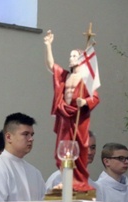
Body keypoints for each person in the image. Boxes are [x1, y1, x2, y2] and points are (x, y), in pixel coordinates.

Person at [44, 30, 99, 192]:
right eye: (70, 55)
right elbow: (51, 66)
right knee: (61, 150)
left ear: (82, 59)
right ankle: (66, 180)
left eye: (74, 56)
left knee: (79, 148)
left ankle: (78, 181)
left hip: (78, 118)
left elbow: (95, 97)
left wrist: (85, 101)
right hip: (64, 115)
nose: (70, 58)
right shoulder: (65, 76)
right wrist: (48, 45)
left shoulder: (86, 78)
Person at [0, 113, 45, 202]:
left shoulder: (35, 173)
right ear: (9, 137)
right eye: (25, 134)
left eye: (32, 135)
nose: (31, 139)